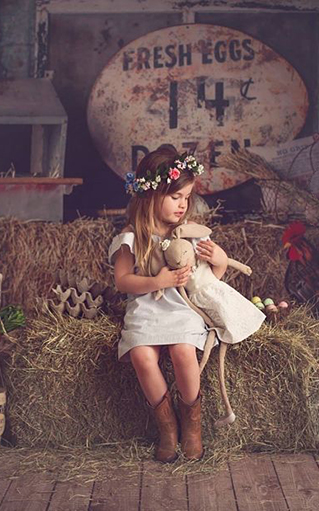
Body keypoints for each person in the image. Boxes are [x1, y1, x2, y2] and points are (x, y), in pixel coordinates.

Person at [108, 145, 228, 462]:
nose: (183, 205)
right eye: (176, 197)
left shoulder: (189, 235)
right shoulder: (132, 236)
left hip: (181, 309)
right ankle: (167, 427)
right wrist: (156, 282)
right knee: (142, 355)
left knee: (182, 350)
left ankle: (192, 424)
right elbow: (122, 281)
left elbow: (206, 280)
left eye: (187, 198)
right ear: (152, 195)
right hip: (146, 309)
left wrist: (221, 261)